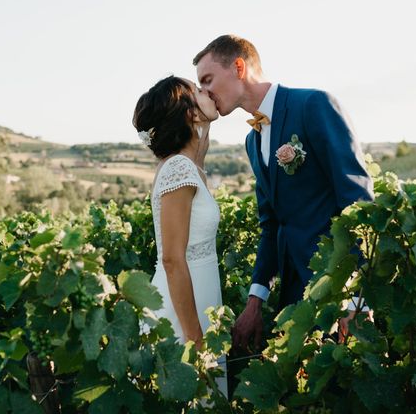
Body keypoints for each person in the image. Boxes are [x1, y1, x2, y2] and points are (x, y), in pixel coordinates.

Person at [193, 35, 374, 351]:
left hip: (339, 291)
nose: (204, 92)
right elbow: (271, 224)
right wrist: (255, 300)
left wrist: (357, 298)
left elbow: (356, 198)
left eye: (207, 80)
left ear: (238, 67)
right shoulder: (252, 141)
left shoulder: (313, 105)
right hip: (293, 299)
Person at [132, 75, 227, 396]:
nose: (207, 92)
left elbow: (199, 149)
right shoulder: (178, 169)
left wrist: (205, 124)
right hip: (183, 310)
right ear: (190, 114)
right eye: (199, 91)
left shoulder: (187, 165)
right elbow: (172, 259)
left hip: (199, 295)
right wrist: (195, 340)